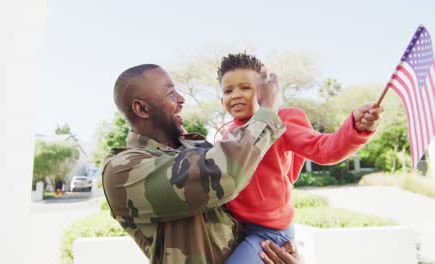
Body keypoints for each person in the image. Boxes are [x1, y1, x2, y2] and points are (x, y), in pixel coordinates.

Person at [102, 64, 302, 264]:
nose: (181, 99)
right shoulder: (123, 171)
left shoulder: (196, 146)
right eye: (171, 93)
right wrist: (267, 110)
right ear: (142, 108)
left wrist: (280, 252)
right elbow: (225, 173)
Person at [217, 53, 383, 264]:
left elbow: (325, 149)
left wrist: (355, 128)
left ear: (265, 92)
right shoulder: (227, 135)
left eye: (246, 87)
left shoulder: (281, 121)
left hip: (269, 233)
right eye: (228, 90)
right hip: (236, 229)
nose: (236, 95)